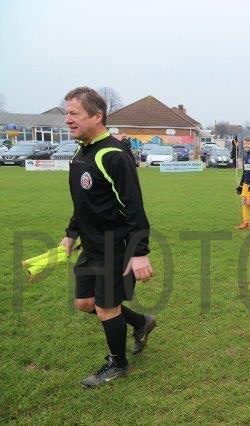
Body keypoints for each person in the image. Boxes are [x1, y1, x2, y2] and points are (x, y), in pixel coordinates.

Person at [60, 87, 156, 387]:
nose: (68, 119)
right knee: (85, 303)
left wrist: (139, 251)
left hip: (116, 246)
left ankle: (118, 365)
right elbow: (84, 202)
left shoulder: (113, 155)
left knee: (106, 307)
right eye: (67, 113)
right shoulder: (81, 153)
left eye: (74, 113)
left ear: (97, 116)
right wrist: (71, 234)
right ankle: (141, 322)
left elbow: (134, 207)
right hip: (91, 246)